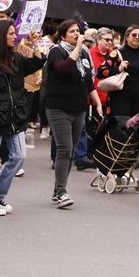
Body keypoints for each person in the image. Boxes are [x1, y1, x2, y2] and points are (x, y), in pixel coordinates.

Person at [0, 18, 42, 215]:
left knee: (19, 156)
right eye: (11, 33)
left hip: (16, 117)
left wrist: (34, 43)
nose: (14, 36)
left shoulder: (16, 57)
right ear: (1, 35)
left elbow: (36, 63)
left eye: (14, 33)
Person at [41, 18, 91, 209]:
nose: (77, 34)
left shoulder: (84, 53)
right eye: (72, 31)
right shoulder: (56, 52)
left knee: (70, 152)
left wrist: (95, 99)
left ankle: (57, 191)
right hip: (58, 107)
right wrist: (78, 48)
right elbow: (63, 68)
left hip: (78, 108)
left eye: (78, 31)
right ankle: (61, 192)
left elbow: (87, 79)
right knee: (64, 148)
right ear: (63, 35)